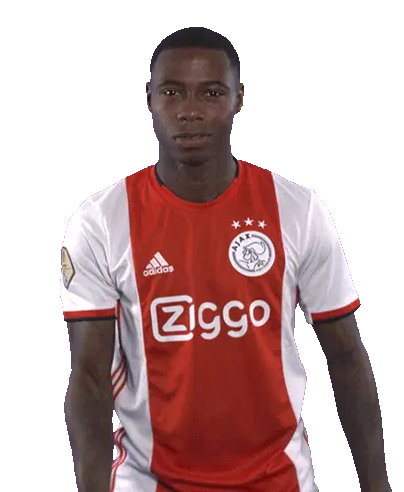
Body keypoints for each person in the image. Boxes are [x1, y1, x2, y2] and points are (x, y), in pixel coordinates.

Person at [60, 27, 389, 492]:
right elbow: (89, 380)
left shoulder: (298, 213)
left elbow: (348, 360)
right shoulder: (99, 223)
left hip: (279, 480)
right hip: (150, 481)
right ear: (148, 99)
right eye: (172, 92)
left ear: (240, 98)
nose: (190, 111)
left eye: (212, 93)